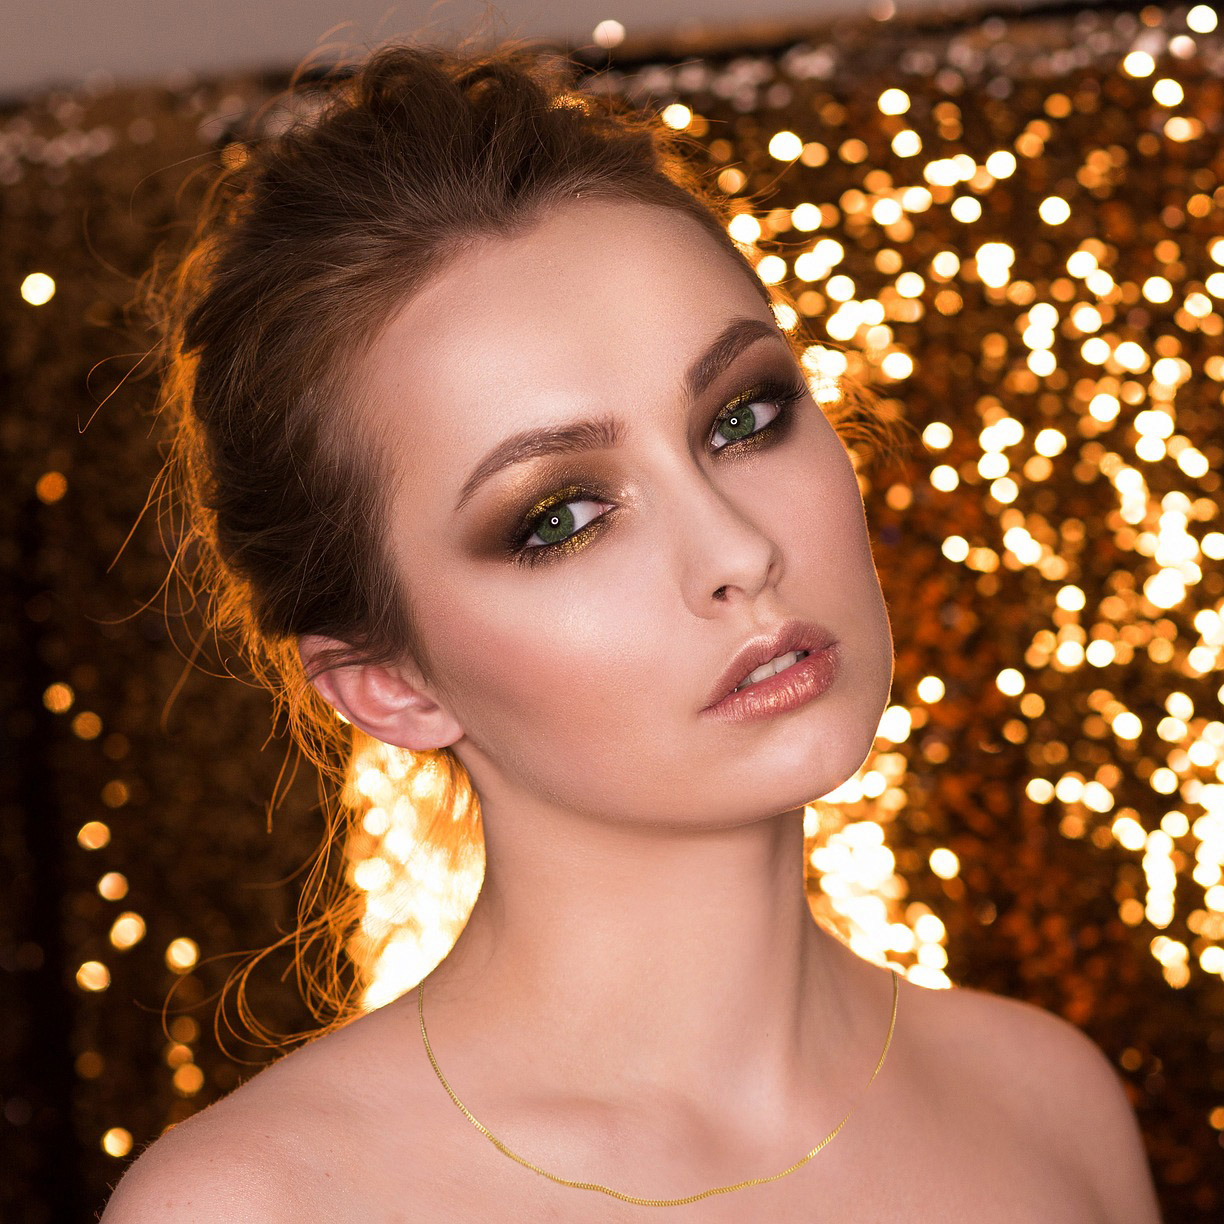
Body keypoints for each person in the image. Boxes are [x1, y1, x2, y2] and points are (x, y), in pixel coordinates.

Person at [101, 38, 1162, 1222]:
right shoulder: (261, 1206)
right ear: (388, 683)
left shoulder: (1046, 1102)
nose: (739, 552)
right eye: (560, 517)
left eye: (744, 418)